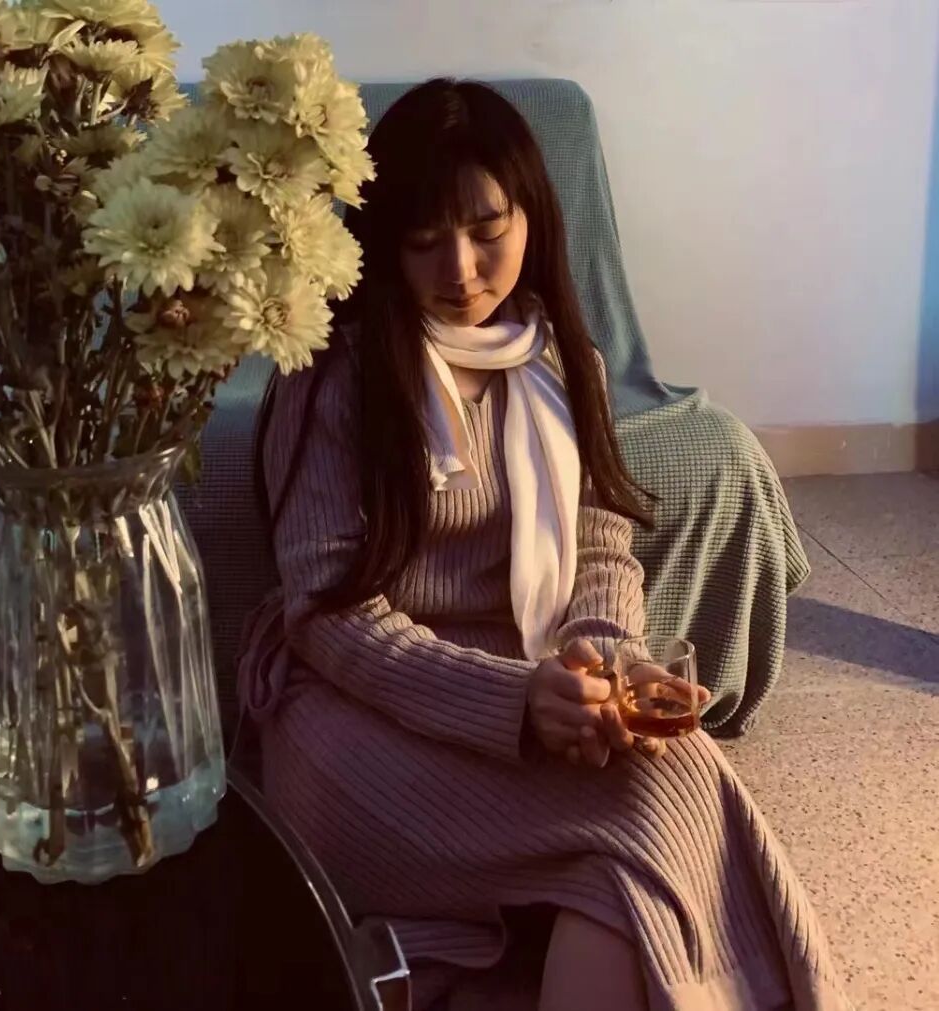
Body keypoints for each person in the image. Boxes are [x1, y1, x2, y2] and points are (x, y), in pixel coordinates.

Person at [237, 79, 850, 1011]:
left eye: (488, 229)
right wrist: (516, 702)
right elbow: (327, 616)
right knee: (663, 812)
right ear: (383, 241)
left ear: (532, 218)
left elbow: (601, 547)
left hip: (534, 687)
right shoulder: (336, 376)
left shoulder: (565, 360)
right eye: (424, 238)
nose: (461, 268)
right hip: (355, 721)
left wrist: (606, 668)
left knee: (662, 799)